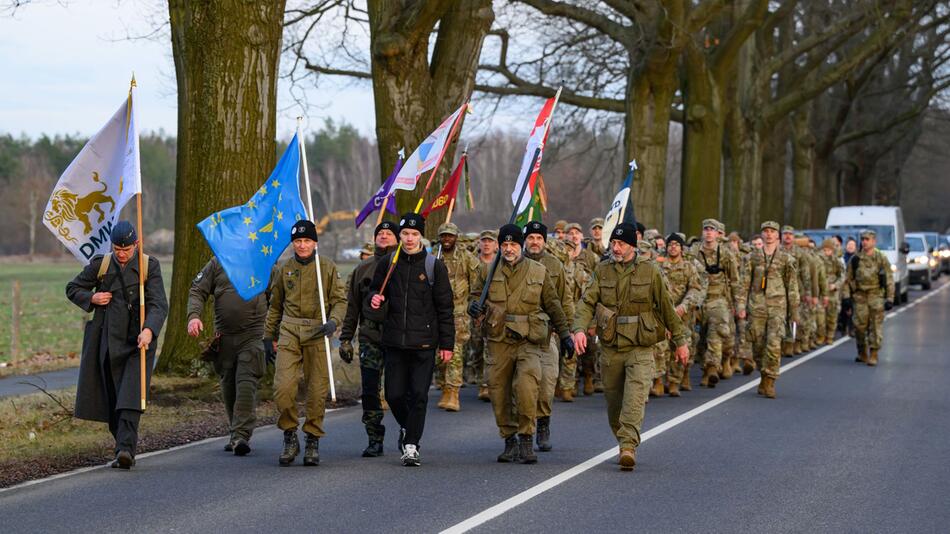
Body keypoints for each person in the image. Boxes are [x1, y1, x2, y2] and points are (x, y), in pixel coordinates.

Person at [573, 222, 689, 471]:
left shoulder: (650, 271)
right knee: (614, 402)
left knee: (635, 398)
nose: (615, 247)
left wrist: (680, 341)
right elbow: (586, 302)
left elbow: (667, 309)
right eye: (613, 243)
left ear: (632, 247)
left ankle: (628, 445)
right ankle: (623, 437)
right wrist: (579, 329)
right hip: (611, 346)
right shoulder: (602, 270)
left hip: (640, 345)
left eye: (621, 244)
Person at [66, 221, 168, 469]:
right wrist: (92, 297)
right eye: (117, 249)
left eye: (126, 249)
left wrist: (149, 330)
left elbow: (159, 304)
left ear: (136, 244)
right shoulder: (101, 265)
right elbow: (72, 288)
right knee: (112, 397)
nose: (121, 254)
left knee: (130, 396)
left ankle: (125, 450)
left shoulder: (148, 266)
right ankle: (122, 443)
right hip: (107, 341)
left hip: (138, 341)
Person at [468, 223, 573, 464]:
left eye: (513, 244)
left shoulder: (538, 271)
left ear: (521, 245)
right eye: (504, 244)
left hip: (529, 340)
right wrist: (473, 307)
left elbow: (554, 305)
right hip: (498, 339)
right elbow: (474, 297)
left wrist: (565, 334)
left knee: (527, 387)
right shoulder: (488, 271)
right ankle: (509, 439)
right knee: (498, 391)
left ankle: (527, 438)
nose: (508, 249)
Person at [367, 213, 454, 466]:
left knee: (418, 394)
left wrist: (447, 344)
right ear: (399, 236)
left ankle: (412, 444)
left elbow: (445, 308)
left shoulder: (433, 266)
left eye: (414, 234)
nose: (409, 239)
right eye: (405, 234)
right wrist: (374, 299)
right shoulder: (387, 263)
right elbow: (374, 292)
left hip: (424, 342)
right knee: (394, 395)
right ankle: (408, 427)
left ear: (421, 236)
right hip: (394, 341)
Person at [265, 219, 346, 467]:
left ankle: (312, 437)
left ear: (315, 243)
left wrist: (333, 322)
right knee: (283, 388)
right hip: (290, 330)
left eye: (307, 241)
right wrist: (268, 336)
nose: (302, 245)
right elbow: (275, 306)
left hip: (317, 331)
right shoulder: (284, 269)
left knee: (317, 390)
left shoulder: (327, 268)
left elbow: (340, 301)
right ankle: (290, 433)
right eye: (298, 241)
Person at [187, 255, 269, 456]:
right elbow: (197, 290)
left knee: (246, 382)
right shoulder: (217, 262)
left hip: (253, 334)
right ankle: (235, 432)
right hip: (224, 336)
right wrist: (194, 317)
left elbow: (279, 294)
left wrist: (275, 330)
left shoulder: (262, 259)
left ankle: (241, 434)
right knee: (228, 384)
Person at [339, 221, 399, 457]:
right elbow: (352, 307)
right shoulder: (362, 269)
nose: (383, 236)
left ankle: (408, 433)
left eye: (388, 233)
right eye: (380, 233)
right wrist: (345, 339)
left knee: (398, 391)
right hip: (370, 337)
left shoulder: (404, 266)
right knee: (370, 390)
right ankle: (374, 437)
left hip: (398, 339)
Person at [521, 221, 573, 451]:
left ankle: (543, 422)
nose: (534, 242)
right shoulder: (513, 262)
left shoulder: (555, 265)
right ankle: (523, 432)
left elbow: (565, 300)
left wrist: (569, 333)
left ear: (544, 241)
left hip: (547, 334)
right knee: (522, 386)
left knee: (546, 384)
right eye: (530, 238)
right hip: (519, 335)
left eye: (538, 238)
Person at [736, 221, 799, 398]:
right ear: (762, 235)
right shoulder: (751, 258)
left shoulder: (787, 259)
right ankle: (763, 374)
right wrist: (740, 305)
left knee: (774, 344)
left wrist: (794, 311)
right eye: (766, 231)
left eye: (772, 232)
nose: (769, 234)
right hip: (756, 307)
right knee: (758, 346)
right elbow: (743, 284)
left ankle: (770, 379)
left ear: (777, 236)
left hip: (778, 307)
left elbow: (792, 286)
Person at [434, 222, 480, 412]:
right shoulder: (432, 258)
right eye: (444, 236)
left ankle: (454, 392)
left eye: (450, 236)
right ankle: (445, 388)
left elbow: (476, 285)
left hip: (459, 315)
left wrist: (474, 307)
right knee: (439, 356)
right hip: (436, 314)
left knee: (455, 353)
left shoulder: (467, 258)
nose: (447, 239)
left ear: (456, 237)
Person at [657, 233, 705, 397]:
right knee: (660, 347)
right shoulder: (659, 266)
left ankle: (674, 381)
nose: (673, 247)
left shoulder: (688, 267)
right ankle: (658, 380)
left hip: (683, 315)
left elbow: (695, 289)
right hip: (662, 314)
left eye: (676, 244)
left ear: (682, 248)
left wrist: (684, 306)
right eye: (670, 244)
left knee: (680, 346)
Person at [695, 219, 741, 387]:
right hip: (697, 300)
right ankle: (706, 368)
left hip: (718, 300)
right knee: (699, 339)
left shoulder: (726, 254)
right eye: (705, 229)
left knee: (717, 333)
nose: (708, 232)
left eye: (711, 229)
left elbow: (735, 281)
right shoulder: (694, 251)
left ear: (717, 233)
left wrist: (738, 305)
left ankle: (713, 367)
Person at [842, 229, 894, 366]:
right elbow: (847, 280)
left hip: (876, 295)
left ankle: (874, 353)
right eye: (863, 239)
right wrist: (846, 297)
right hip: (860, 297)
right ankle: (862, 351)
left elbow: (889, 278)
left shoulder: (881, 258)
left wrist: (890, 298)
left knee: (875, 326)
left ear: (874, 241)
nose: (864, 242)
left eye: (867, 239)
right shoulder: (856, 259)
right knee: (859, 327)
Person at [468, 230, 498, 401]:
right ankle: (479, 377)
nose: (486, 244)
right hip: (473, 311)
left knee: (489, 348)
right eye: (483, 241)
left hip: (492, 313)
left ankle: (485, 385)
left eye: (490, 241)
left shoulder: (500, 264)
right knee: (477, 348)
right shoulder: (472, 263)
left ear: (496, 245)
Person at [819, 238, 844, 345]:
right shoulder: (819, 260)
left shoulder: (836, 261)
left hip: (833, 292)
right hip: (821, 291)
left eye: (829, 250)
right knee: (820, 316)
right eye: (825, 250)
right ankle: (821, 335)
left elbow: (842, 276)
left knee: (832, 315)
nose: (827, 252)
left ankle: (830, 336)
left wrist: (836, 285)